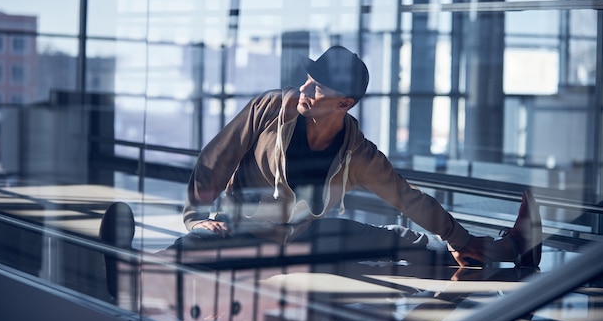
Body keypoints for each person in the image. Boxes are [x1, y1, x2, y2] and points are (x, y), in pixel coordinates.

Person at [176, 45, 542, 268]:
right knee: (195, 246)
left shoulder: (357, 151)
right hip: (243, 229)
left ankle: (513, 248)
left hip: (310, 235)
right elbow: (216, 159)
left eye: (317, 86)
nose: (304, 87)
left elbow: (405, 196)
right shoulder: (271, 108)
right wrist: (197, 218)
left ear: (344, 103)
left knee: (406, 239)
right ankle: (128, 264)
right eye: (307, 78)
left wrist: (457, 237)